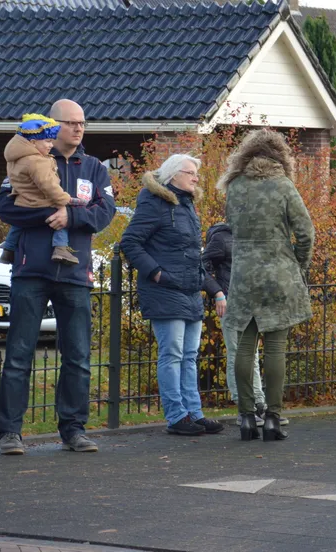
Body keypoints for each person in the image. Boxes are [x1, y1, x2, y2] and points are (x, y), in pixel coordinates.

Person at [0, 99, 116, 455]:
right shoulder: (27, 159)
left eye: (82, 123)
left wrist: (71, 219)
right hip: (31, 270)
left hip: (76, 273)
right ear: (53, 124)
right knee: (19, 354)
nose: (78, 128)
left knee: (78, 356)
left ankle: (74, 429)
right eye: (70, 122)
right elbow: (5, 206)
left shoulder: (94, 168)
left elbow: (105, 210)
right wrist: (50, 214)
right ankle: (10, 434)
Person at [216, 129, 315, 442]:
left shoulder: (235, 186)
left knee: (244, 347)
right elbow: (306, 232)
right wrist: (298, 263)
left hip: (244, 273)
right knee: (275, 348)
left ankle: (246, 417)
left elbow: (230, 225)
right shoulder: (283, 185)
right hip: (278, 272)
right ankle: (272, 417)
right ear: (280, 156)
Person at [120, 154, 224, 437]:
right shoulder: (154, 203)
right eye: (190, 173)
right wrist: (156, 273)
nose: (195, 178)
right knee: (173, 354)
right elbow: (130, 242)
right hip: (164, 291)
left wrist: (214, 289)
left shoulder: (187, 206)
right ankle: (177, 416)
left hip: (189, 291)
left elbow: (193, 256)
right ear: (173, 175)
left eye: (196, 174)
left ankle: (194, 413)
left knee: (189, 355)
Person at [201, 222, 276, 427]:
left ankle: (258, 404)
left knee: (252, 354)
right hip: (232, 302)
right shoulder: (222, 238)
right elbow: (202, 267)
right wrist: (217, 293)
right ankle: (245, 409)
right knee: (238, 354)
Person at [0, 114, 90, 266]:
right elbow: (48, 185)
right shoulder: (37, 161)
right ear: (33, 142)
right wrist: (65, 199)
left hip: (22, 199)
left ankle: (9, 248)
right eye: (47, 141)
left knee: (19, 224)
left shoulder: (16, 158)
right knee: (60, 215)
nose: (51, 145)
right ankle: (60, 248)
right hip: (40, 200)